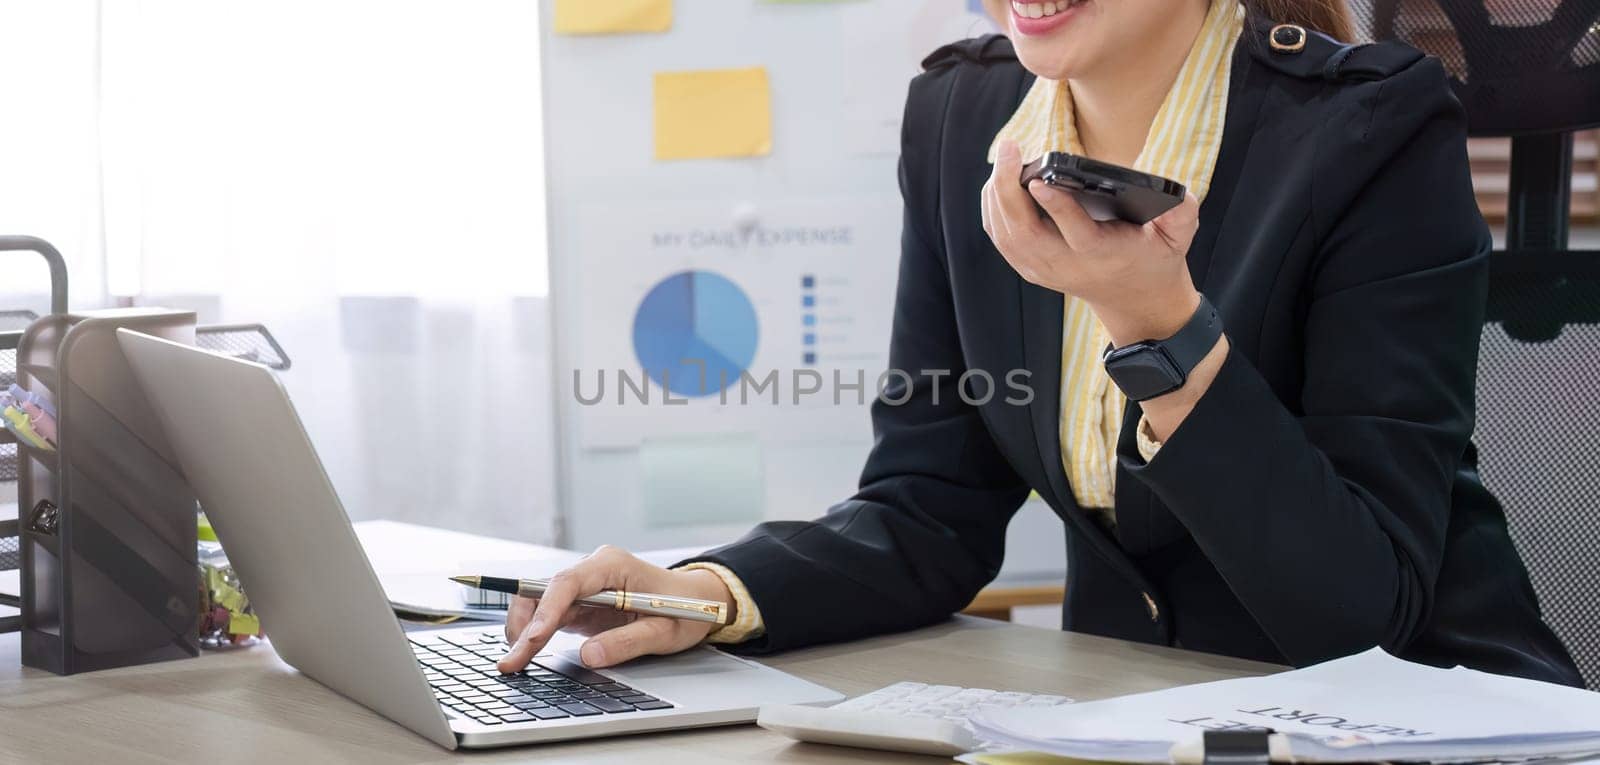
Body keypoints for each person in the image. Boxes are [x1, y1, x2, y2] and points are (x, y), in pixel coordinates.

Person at [499, 0, 1582, 686]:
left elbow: (1359, 613)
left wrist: (1156, 327)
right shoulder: (961, 122)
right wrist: (708, 593)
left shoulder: (1370, 128)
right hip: (1122, 712)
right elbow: (927, 510)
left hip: (1431, 716)